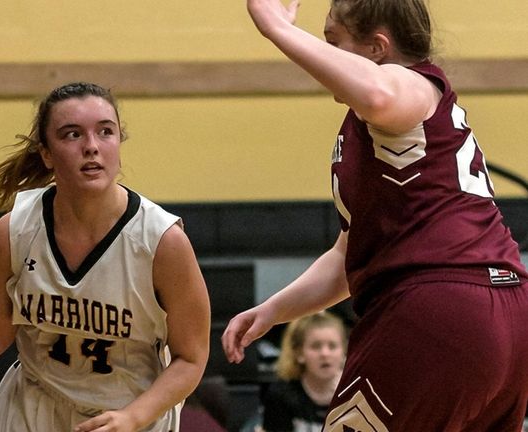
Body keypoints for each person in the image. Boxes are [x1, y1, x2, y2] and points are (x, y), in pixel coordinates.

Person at [222, 1, 528, 430]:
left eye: (334, 41)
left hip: (441, 307)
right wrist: (274, 310)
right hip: (505, 313)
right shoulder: (391, 128)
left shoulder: (410, 84)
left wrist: (276, 29)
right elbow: (348, 256)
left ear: (377, 48)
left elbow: (381, 92)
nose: (326, 54)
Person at [0, 82, 211, 432]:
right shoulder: (15, 231)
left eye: (105, 132)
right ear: (46, 154)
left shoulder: (162, 242)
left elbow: (191, 357)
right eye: (72, 135)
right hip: (32, 410)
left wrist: (133, 417)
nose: (92, 147)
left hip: (126, 413)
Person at [260, 311, 346, 432]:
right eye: (316, 346)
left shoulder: (356, 392)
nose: (325, 354)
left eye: (332, 346)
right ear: (299, 353)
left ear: (343, 352)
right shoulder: (280, 395)